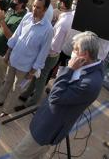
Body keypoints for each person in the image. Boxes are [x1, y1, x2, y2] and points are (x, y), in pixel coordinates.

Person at [11, 31, 104, 159]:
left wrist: (69, 70)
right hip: (47, 124)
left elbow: (55, 96)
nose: (73, 52)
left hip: (47, 129)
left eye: (75, 49)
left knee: (18, 155)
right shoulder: (92, 66)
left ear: (85, 54)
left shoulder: (89, 83)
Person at [0, 0, 53, 117]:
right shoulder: (27, 17)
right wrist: (8, 53)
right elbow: (16, 36)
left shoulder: (48, 30)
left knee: (16, 88)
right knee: (7, 81)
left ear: (45, 9)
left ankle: (6, 110)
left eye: (38, 7)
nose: (35, 9)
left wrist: (33, 71)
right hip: (14, 58)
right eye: (34, 6)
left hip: (26, 65)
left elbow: (43, 53)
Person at [20, 0, 75, 108]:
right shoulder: (69, 16)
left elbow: (54, 45)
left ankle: (33, 100)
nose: (57, 4)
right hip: (54, 53)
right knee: (37, 76)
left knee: (41, 79)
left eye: (59, 1)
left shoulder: (63, 21)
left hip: (50, 54)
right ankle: (27, 93)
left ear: (63, 3)